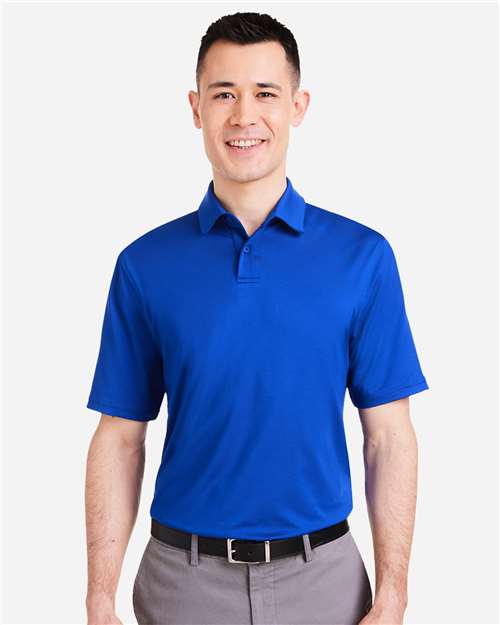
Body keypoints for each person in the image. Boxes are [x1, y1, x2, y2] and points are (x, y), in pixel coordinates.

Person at [84, 11, 429, 625]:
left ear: (298, 106)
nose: (244, 115)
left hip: (324, 581)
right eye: (224, 94)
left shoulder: (363, 258)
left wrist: (394, 593)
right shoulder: (144, 264)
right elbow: (120, 436)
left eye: (265, 93)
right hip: (181, 583)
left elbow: (389, 436)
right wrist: (98, 598)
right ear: (196, 108)